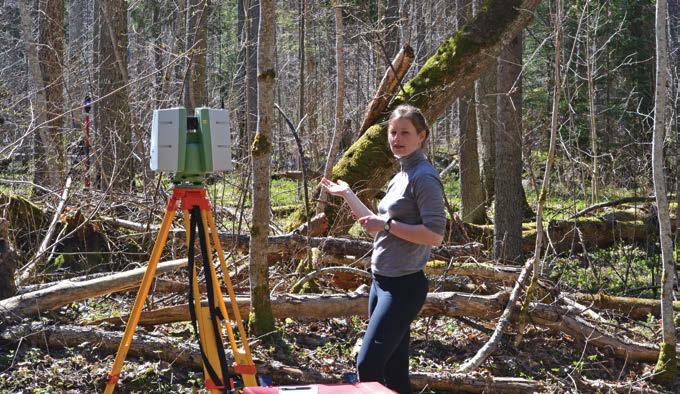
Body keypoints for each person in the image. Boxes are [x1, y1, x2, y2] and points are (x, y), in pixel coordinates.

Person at [320, 104, 446, 394]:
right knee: (394, 370)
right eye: (393, 132)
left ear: (422, 136)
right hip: (381, 282)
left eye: (405, 132)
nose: (397, 138)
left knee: (369, 365)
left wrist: (387, 226)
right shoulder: (400, 174)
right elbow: (374, 222)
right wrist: (348, 194)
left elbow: (435, 235)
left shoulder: (423, 177)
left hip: (403, 287)